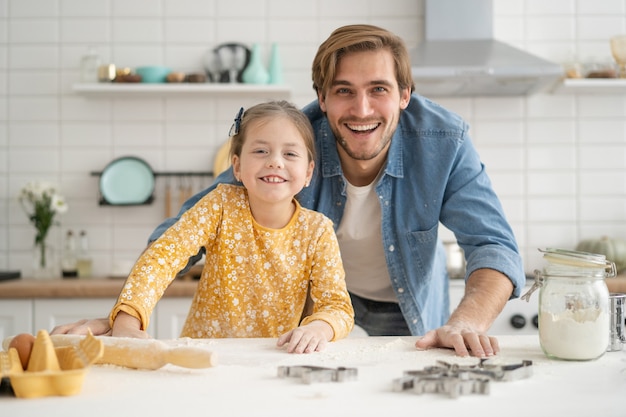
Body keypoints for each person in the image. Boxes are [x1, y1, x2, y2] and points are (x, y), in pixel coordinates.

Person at [56, 24, 525, 358]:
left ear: (405, 94)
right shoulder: (288, 144)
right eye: (343, 91)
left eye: (378, 88)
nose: (361, 108)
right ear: (322, 99)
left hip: (408, 310)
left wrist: (467, 321)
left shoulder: (445, 142)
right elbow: (175, 241)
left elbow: (493, 245)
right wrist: (123, 317)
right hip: (303, 319)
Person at [52, 101, 354, 354]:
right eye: (260, 151)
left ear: (308, 173)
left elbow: (338, 306)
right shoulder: (220, 204)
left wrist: (320, 327)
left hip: (273, 360)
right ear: (236, 166)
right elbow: (162, 257)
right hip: (203, 355)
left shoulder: (317, 230)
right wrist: (128, 318)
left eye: (290, 154)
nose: (275, 162)